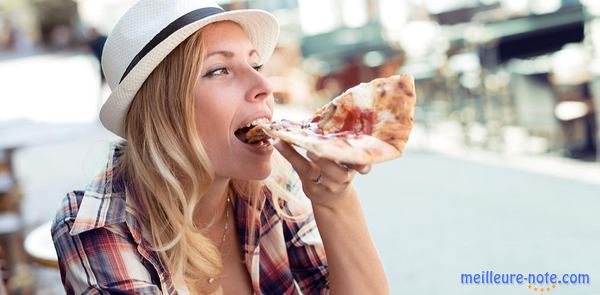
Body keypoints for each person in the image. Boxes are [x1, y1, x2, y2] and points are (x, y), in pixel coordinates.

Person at [51, 1, 388, 294]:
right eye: (219, 70)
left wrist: (335, 201)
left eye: (255, 65)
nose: (265, 86)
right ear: (162, 111)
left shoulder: (271, 190)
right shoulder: (97, 225)